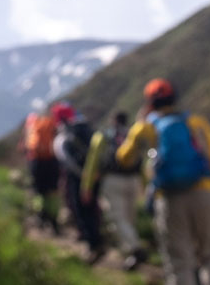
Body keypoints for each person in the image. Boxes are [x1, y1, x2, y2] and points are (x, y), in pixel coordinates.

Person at [117, 78, 210, 285]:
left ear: (150, 103)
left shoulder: (147, 127)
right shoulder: (195, 123)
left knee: (180, 262)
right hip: (203, 191)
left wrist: (139, 124)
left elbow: (124, 158)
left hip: (168, 197)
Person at [82, 111, 147, 271]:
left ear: (113, 121)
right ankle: (131, 252)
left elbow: (92, 162)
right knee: (129, 218)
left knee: (118, 218)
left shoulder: (103, 136)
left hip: (112, 181)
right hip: (134, 180)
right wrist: (145, 185)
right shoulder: (133, 135)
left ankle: (135, 249)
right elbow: (142, 162)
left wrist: (87, 186)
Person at [53, 102, 105, 263]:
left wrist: (83, 177)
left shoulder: (66, 135)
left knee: (82, 210)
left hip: (79, 179)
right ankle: (99, 239)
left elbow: (67, 161)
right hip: (96, 176)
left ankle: (93, 245)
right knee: (93, 207)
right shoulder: (87, 128)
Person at [23, 110, 60, 235]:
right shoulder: (50, 126)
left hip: (37, 163)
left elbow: (27, 147)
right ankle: (54, 221)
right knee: (53, 192)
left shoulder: (32, 127)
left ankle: (41, 217)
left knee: (39, 191)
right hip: (52, 163)